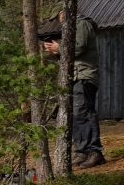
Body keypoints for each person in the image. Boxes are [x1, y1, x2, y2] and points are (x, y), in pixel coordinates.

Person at [42, 12, 105, 168]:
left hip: (83, 75)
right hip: (76, 76)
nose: (58, 20)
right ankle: (82, 152)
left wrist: (60, 47)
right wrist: (56, 51)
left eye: (58, 16)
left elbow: (79, 47)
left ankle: (94, 152)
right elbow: (71, 54)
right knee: (76, 116)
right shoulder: (72, 27)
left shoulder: (82, 24)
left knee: (83, 113)